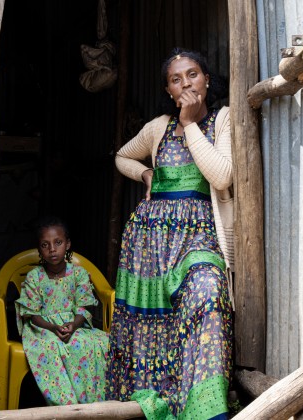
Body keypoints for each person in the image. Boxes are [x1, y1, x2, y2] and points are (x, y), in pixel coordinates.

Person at [106, 47, 234, 420]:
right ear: (168, 90)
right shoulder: (158, 127)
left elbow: (221, 176)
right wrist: (145, 173)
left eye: (192, 75)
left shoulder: (222, 120)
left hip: (198, 238)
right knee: (152, 323)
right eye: (176, 79)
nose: (186, 83)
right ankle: (152, 401)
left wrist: (191, 123)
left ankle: (204, 408)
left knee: (208, 293)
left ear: (206, 79)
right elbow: (121, 157)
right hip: (149, 242)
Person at [15, 216, 110, 405]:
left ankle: (93, 402)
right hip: (43, 329)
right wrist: (53, 328)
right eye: (45, 245)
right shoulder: (35, 277)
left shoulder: (79, 274)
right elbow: (32, 315)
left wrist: (73, 325)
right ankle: (67, 405)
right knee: (51, 347)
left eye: (57, 242)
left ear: (67, 244)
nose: (52, 249)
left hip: (75, 324)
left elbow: (84, 306)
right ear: (39, 250)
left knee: (94, 342)